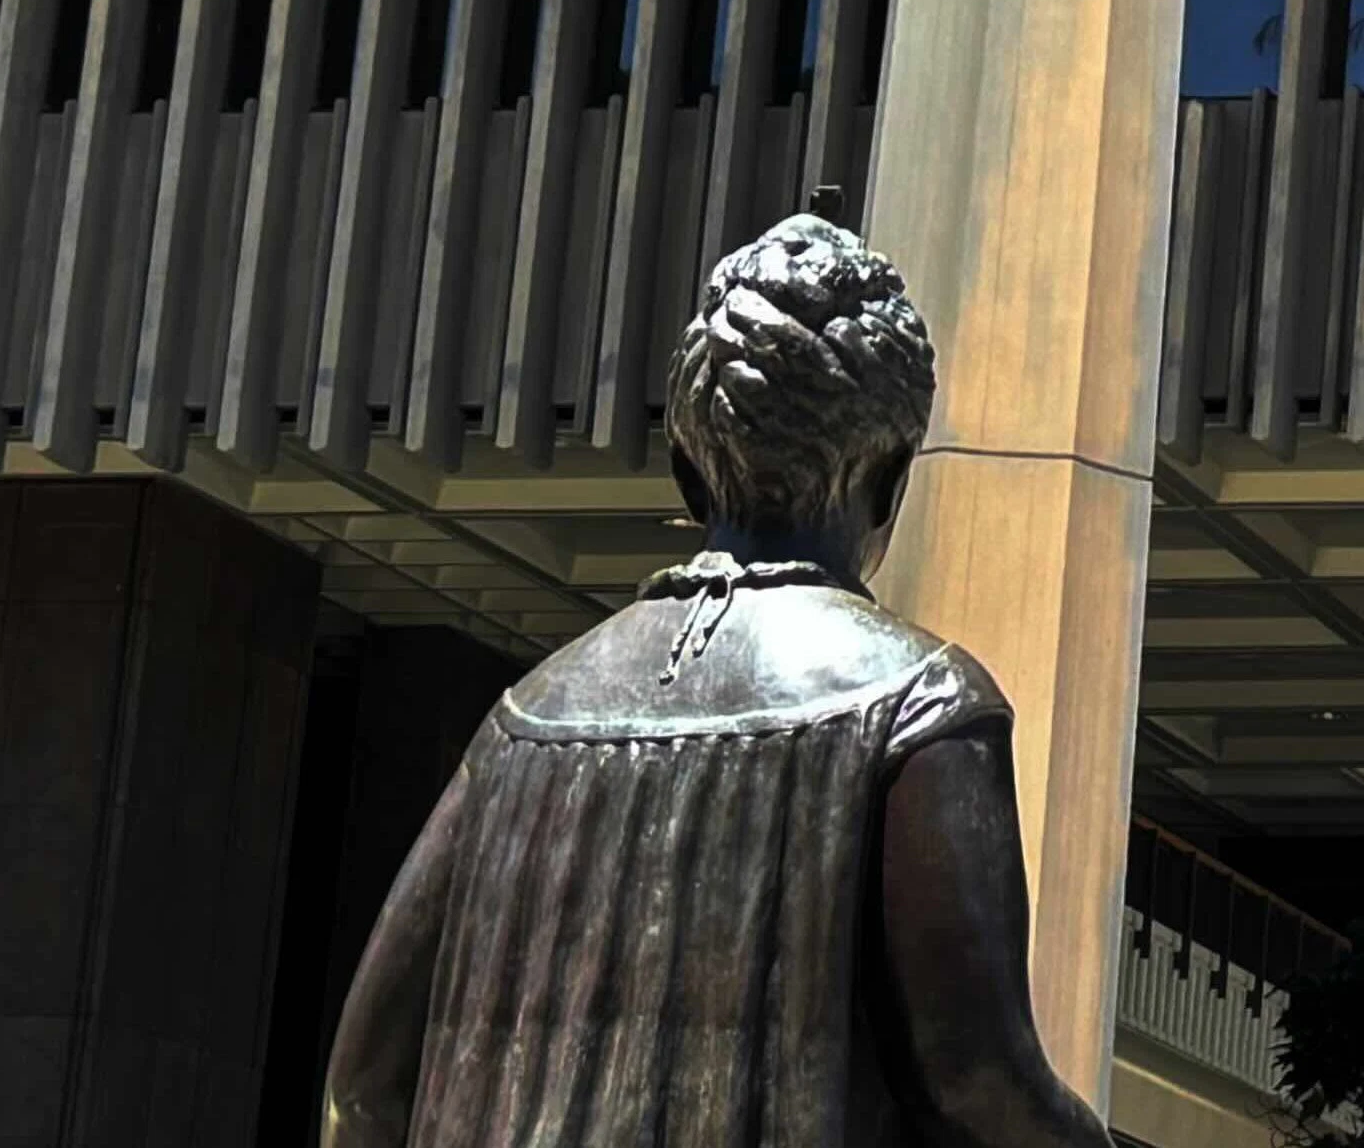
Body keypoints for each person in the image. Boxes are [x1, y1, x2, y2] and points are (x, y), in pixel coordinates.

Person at [323, 209, 1115, 1147]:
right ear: (892, 476)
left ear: (687, 471)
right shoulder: (922, 708)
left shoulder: (526, 717)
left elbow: (364, 1087)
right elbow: (982, 1089)